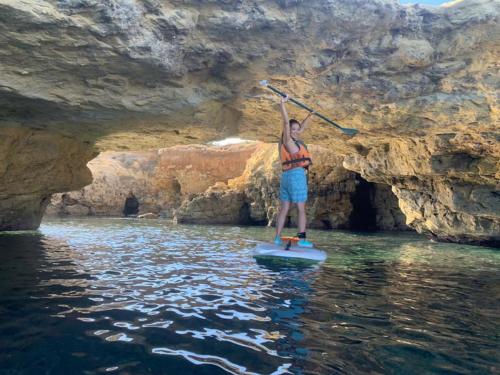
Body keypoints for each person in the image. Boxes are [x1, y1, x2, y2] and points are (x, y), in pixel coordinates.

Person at [274, 94, 314, 247]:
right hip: (296, 176)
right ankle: (302, 240)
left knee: (284, 208)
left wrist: (310, 115)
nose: (297, 131)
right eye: (294, 129)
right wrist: (282, 104)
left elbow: (302, 128)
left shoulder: (291, 141)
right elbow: (285, 122)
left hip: (286, 177)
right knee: (301, 208)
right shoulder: (288, 141)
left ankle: (277, 237)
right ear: (288, 131)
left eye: (297, 129)